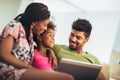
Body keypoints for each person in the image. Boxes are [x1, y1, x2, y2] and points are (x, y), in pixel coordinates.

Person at [0, 2, 74, 80]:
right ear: (34, 22)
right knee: (67, 78)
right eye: (45, 24)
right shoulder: (15, 25)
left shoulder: (30, 36)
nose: (45, 28)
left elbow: (38, 47)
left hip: (22, 71)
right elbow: (4, 54)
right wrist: (30, 68)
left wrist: (50, 51)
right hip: (8, 71)